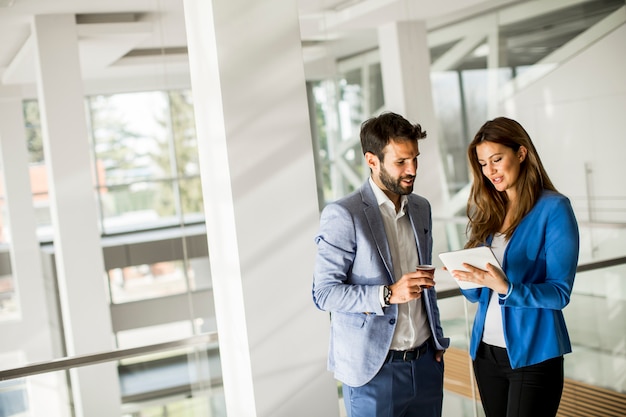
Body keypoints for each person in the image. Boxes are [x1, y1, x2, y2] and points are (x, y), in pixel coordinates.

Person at [312, 111, 449, 417]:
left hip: (426, 365)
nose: (412, 169)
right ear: (372, 161)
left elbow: (423, 283)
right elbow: (324, 293)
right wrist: (386, 294)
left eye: (415, 158)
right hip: (373, 373)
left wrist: (438, 342)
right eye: (401, 162)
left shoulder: (421, 208)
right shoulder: (344, 215)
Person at [450, 117, 579, 417]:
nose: (490, 171)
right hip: (485, 354)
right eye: (483, 164)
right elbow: (479, 296)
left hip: (533, 356)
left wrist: (506, 287)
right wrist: (468, 277)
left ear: (521, 154)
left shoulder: (554, 208)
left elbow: (560, 293)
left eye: (497, 159)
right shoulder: (490, 212)